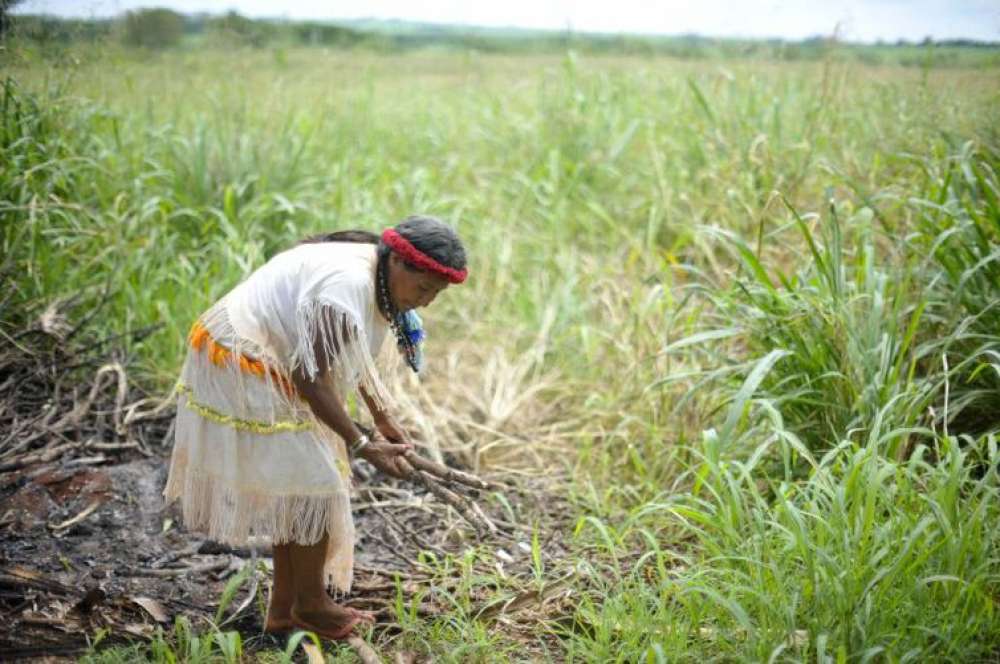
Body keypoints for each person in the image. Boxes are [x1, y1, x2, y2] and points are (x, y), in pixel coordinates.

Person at [163, 215, 468, 640]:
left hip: (271, 356)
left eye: (436, 294)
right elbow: (309, 377)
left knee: (299, 485)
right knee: (316, 486)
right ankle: (311, 605)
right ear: (399, 262)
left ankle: (284, 613)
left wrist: (382, 417)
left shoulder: (380, 282)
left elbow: (351, 353)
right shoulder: (346, 286)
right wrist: (362, 443)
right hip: (238, 356)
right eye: (424, 289)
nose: (427, 301)